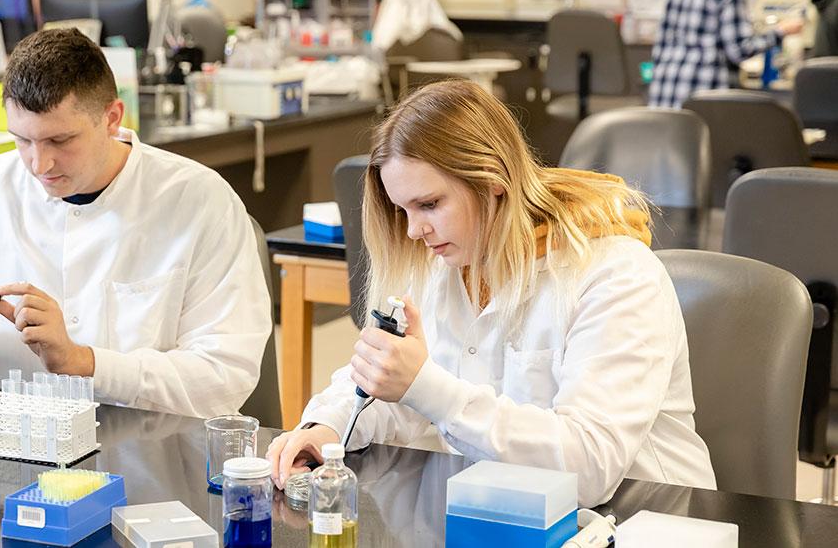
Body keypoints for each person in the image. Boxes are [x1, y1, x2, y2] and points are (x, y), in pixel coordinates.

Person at [267, 80, 716, 507]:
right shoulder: (445, 262)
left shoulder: (615, 274)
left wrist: (425, 387)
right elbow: (384, 385)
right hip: (502, 511)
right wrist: (326, 426)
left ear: (492, 182)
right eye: (402, 209)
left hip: (645, 519)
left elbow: (590, 468)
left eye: (429, 204)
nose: (413, 230)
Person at [0, 29, 272, 418]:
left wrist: (84, 362)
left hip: (153, 460)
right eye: (22, 140)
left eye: (60, 140)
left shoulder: (199, 202)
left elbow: (224, 378)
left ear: (112, 118)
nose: (39, 164)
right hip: (13, 457)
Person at [649, 0, 804, 108]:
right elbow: (739, 50)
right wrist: (780, 32)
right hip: (702, 92)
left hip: (664, 91)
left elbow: (659, 46)